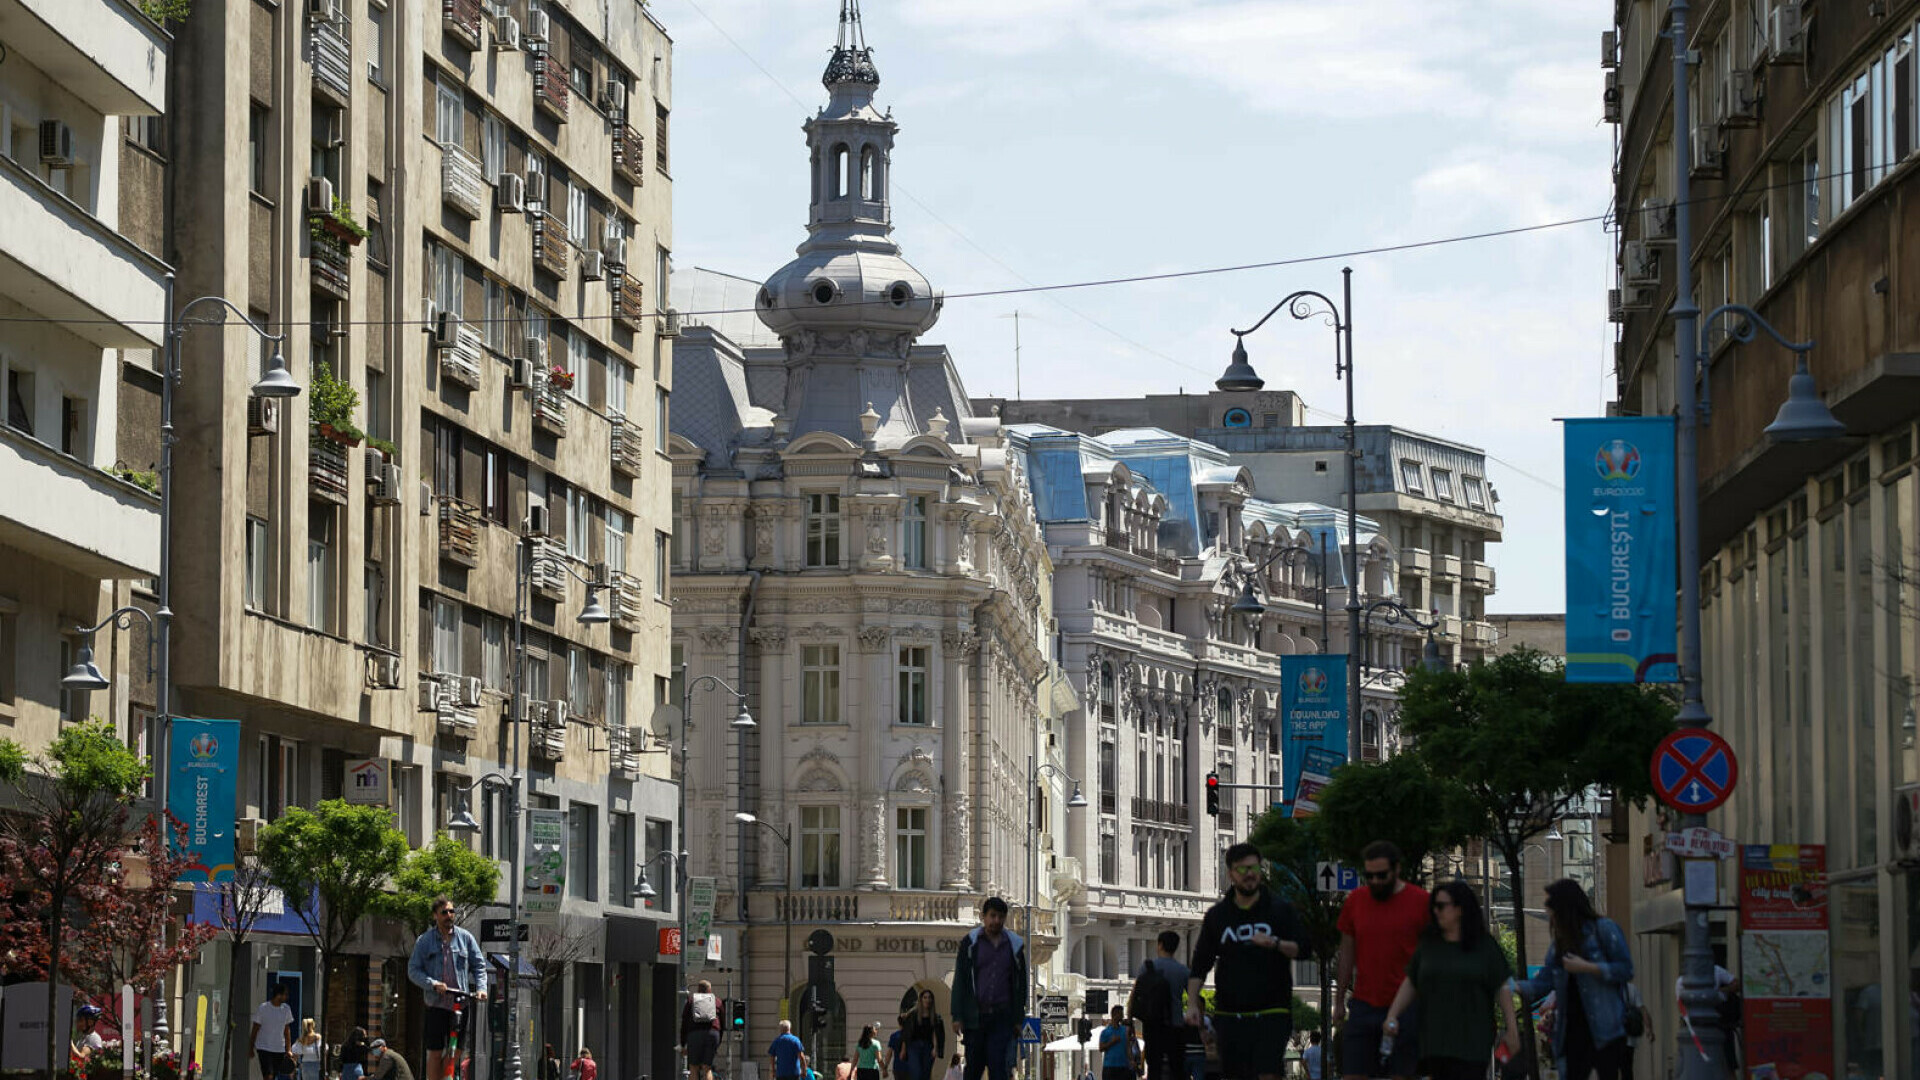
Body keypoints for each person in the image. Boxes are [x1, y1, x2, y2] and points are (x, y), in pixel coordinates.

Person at [1185, 842, 1307, 1080]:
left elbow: (1303, 949)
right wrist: (1191, 1004)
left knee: (1268, 1072)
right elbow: (1200, 963)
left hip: (1273, 1009)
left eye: (1254, 868)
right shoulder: (1218, 916)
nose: (1250, 874)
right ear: (1231, 873)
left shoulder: (1279, 910)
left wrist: (1275, 943)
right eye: (1242, 869)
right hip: (1230, 1014)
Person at [1380, 881, 1520, 1080]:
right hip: (1435, 1042)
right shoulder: (1429, 945)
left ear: (1460, 909)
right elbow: (1411, 981)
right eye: (1433, 906)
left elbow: (1501, 986)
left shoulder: (1484, 946)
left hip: (1472, 1043)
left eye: (1441, 906)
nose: (1436, 911)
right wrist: (1392, 1015)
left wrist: (1512, 1029)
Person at [1516, 879, 1636, 1080]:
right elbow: (1543, 982)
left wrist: (1588, 967)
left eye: (1551, 907)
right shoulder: (1559, 945)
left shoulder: (1604, 929)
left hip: (1605, 1030)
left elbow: (1626, 969)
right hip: (1571, 1034)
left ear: (1564, 907)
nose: (1548, 913)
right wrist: (1513, 986)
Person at [1333, 841, 1428, 1080]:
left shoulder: (1420, 902)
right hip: (1364, 1003)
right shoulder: (1355, 901)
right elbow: (1346, 953)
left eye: (1381, 875)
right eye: (1369, 876)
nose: (1375, 881)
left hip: (1407, 1006)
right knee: (1352, 1073)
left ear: (1397, 870)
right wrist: (1338, 1000)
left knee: (1402, 1074)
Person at [407, 897, 487, 1080]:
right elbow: (413, 970)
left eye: (452, 911)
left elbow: (479, 966)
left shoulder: (465, 938)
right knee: (435, 1052)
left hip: (460, 1004)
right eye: (444, 912)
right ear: (435, 916)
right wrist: (433, 984)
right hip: (436, 1005)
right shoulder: (425, 941)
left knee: (455, 1051)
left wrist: (481, 988)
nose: (449, 915)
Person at [951, 897, 1028, 1080]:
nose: (996, 921)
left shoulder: (1014, 946)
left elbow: (1021, 985)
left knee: (998, 1068)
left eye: (1000, 917)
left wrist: (1018, 1019)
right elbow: (960, 980)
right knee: (973, 1068)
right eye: (992, 916)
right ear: (983, 916)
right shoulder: (970, 943)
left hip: (1002, 1017)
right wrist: (957, 1015)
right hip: (975, 1017)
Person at [1130, 930, 1190, 1080]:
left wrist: (1129, 1019)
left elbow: (1135, 994)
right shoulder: (1183, 971)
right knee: (1177, 1068)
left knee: (1154, 1068)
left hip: (1153, 1024)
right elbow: (1193, 999)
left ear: (1160, 945)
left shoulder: (1147, 967)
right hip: (1175, 1024)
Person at [251, 983, 296, 1080]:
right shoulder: (263, 1008)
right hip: (263, 1047)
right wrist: (251, 1046)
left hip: (279, 1048)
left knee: (273, 1075)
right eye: (285, 994)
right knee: (268, 1075)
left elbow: (287, 1030)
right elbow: (255, 1028)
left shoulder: (286, 1009)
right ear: (278, 995)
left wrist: (288, 1049)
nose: (287, 997)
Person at [682, 981, 723, 1080]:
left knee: (693, 1067)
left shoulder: (691, 1001)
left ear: (698, 989)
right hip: (712, 1034)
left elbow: (684, 1023)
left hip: (695, 1034)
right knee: (707, 1068)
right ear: (710, 990)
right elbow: (722, 1023)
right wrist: (718, 1041)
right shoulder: (717, 1001)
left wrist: (683, 1043)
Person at [903, 988, 947, 1080]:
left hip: (928, 1047)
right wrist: (903, 1049)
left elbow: (935, 1033)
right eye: (925, 997)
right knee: (917, 1073)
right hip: (914, 1046)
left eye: (929, 997)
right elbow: (906, 1033)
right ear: (921, 999)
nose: (927, 1000)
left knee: (926, 1075)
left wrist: (935, 1048)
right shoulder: (912, 1016)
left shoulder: (936, 1017)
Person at [1621, 980, 1651, 1080]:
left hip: (1614, 1038)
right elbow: (1643, 1010)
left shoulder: (1609, 988)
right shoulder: (1632, 989)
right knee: (1627, 1069)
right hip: (1629, 1038)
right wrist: (1649, 1029)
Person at [1099, 1007, 1133, 1080]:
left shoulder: (1125, 1030)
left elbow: (1128, 1047)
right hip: (1109, 1067)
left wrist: (1131, 1061)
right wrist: (1111, 1042)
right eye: (1121, 1014)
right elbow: (1101, 1048)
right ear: (1115, 1015)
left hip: (1123, 1066)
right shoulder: (1105, 1032)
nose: (1123, 1016)